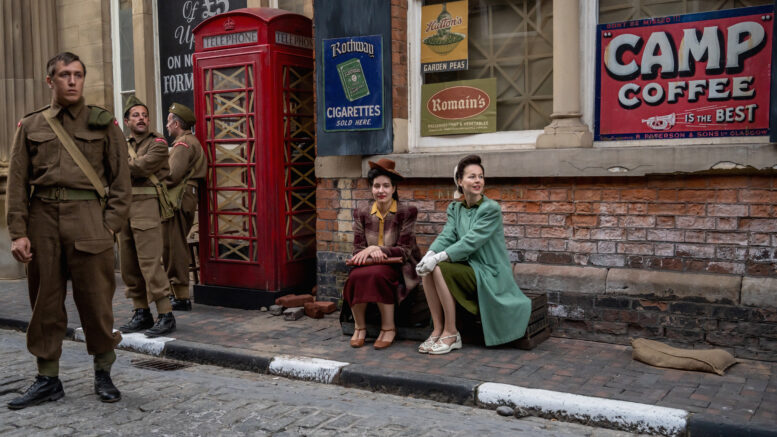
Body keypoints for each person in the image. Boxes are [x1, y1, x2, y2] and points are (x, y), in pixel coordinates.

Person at [5, 52, 131, 408]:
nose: (72, 81)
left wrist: (108, 226)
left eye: (78, 74)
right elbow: (16, 185)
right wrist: (18, 231)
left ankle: (104, 373)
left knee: (96, 301)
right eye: (64, 75)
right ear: (51, 82)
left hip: (89, 218)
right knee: (44, 302)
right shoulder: (31, 126)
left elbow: (121, 183)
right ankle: (47, 378)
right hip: (42, 218)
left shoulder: (103, 124)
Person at [415, 155, 531, 355]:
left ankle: (452, 333)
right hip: (469, 268)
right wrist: (429, 255)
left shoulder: (490, 209)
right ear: (459, 181)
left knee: (439, 267)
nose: (478, 181)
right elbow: (447, 235)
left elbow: (470, 242)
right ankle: (437, 329)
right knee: (428, 270)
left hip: (489, 272)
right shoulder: (455, 208)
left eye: (480, 176)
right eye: (472, 176)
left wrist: (438, 258)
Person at [343, 158, 421, 350]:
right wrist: (370, 251)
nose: (381, 191)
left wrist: (378, 249)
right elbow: (357, 249)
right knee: (355, 277)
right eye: (376, 186)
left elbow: (404, 250)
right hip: (370, 263)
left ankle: (388, 328)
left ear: (394, 188)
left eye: (386, 186)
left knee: (378, 275)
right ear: (371, 189)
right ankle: (359, 327)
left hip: (398, 265)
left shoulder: (406, 212)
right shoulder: (362, 212)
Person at [117, 96, 177, 337]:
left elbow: (141, 168)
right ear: (127, 121)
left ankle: (165, 314)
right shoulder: (123, 144)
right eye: (136, 115)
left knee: (150, 263)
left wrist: (119, 162)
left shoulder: (159, 143)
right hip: (124, 206)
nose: (141, 119)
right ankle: (141, 312)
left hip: (146, 206)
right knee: (129, 265)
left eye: (144, 115)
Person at [162, 103, 206, 311]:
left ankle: (180, 296)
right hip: (187, 197)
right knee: (175, 244)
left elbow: (171, 175)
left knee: (174, 247)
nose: (167, 125)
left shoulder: (182, 145)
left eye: (169, 121)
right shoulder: (191, 141)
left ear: (177, 123)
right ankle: (177, 293)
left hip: (179, 199)